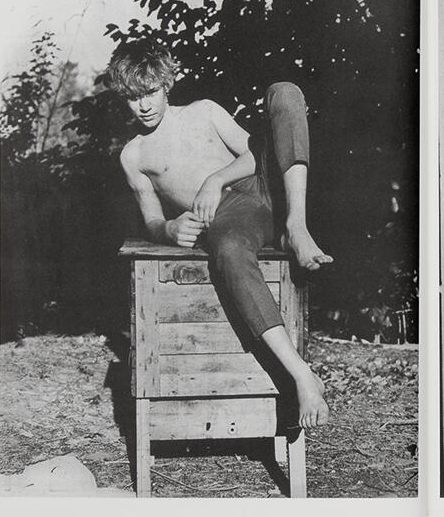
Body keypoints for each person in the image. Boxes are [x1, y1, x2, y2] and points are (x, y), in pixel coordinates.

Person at [109, 39, 331, 428]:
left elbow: (253, 154)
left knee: (285, 93)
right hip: (230, 216)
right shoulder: (134, 155)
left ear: (167, 84)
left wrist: (215, 178)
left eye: (150, 92)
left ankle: (296, 226)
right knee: (227, 249)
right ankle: (301, 374)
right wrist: (171, 228)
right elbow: (152, 222)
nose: (143, 105)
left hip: (266, 186)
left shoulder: (204, 112)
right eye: (132, 97)